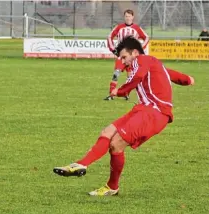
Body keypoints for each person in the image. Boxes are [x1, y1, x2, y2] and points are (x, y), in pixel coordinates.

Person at [53, 37, 194, 196]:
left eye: (124, 57)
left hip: (155, 112)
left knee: (117, 143)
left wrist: (120, 91)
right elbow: (172, 75)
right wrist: (188, 80)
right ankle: (81, 165)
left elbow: (138, 76)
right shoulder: (153, 64)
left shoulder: (143, 60)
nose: (123, 61)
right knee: (107, 132)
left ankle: (111, 186)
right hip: (143, 109)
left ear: (135, 53)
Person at [104, 9, 149, 101]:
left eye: (129, 16)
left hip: (132, 58)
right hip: (122, 57)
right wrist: (113, 49)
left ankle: (126, 93)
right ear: (124, 17)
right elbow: (109, 37)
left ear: (133, 17)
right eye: (126, 16)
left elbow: (147, 38)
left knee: (131, 77)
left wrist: (139, 49)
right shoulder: (119, 27)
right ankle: (111, 94)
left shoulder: (136, 28)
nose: (128, 18)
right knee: (116, 74)